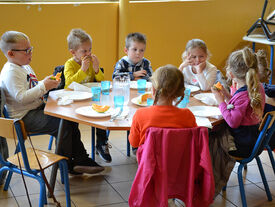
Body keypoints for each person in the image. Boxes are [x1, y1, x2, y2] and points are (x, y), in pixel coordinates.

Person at [0, 31, 104, 175]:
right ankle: (67, 164)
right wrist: (44, 86)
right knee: (64, 125)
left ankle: (79, 159)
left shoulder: (23, 66)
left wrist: (45, 82)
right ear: (11, 54)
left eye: (31, 49)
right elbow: (21, 97)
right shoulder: (11, 72)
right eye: (27, 51)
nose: (31, 53)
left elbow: (32, 86)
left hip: (34, 108)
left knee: (70, 118)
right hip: (23, 117)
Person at [64, 28, 112, 162]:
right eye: (84, 51)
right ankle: (77, 151)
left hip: (91, 99)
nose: (88, 53)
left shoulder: (91, 62)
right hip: (75, 101)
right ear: (73, 52)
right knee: (72, 125)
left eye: (89, 49)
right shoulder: (69, 64)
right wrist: (83, 69)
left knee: (102, 113)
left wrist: (96, 69)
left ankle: (101, 143)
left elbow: (102, 82)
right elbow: (68, 84)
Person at [212, 47, 265, 158]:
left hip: (242, 145)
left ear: (231, 74)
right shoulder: (257, 86)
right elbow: (240, 107)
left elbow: (232, 122)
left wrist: (220, 101)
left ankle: (212, 173)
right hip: (253, 139)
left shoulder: (243, 95)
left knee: (209, 138)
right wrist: (227, 95)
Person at [129, 64, 197, 148]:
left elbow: (134, 143)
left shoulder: (140, 114)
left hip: (150, 160)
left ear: (153, 90)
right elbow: (194, 141)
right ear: (179, 92)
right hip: (180, 160)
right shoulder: (187, 115)